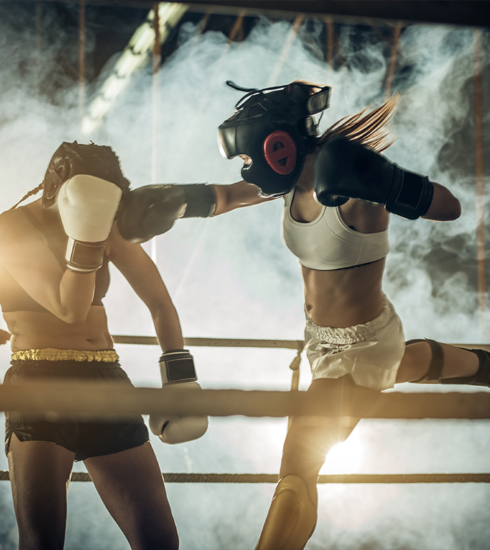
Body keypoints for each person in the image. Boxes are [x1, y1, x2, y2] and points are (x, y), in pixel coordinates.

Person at [117, 81, 490, 550]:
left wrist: (387, 181)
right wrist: (177, 200)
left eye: (248, 158)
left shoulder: (354, 185)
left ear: (277, 146)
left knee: (297, 470)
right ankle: (483, 365)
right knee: (403, 366)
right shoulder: (291, 184)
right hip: (321, 341)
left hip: (362, 346)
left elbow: (450, 207)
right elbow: (229, 196)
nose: (248, 169)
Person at [0, 141, 208, 550]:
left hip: (106, 381)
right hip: (38, 382)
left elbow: (160, 303)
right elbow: (67, 309)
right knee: (41, 542)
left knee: (159, 541)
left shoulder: (106, 227)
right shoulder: (10, 228)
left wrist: (181, 380)